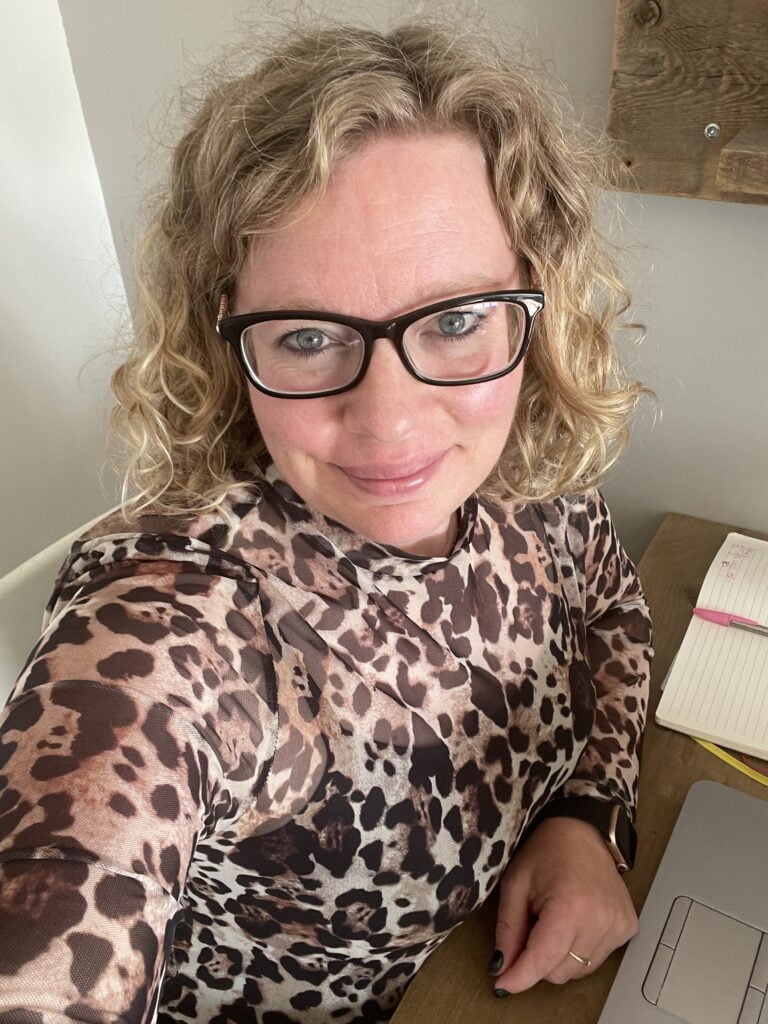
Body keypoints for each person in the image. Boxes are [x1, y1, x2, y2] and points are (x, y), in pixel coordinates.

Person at [0, 17, 653, 1024]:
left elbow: (613, 613)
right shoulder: (179, 611)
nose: (391, 421)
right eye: (307, 336)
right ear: (225, 332)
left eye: (456, 320)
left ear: (535, 300)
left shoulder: (531, 470)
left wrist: (590, 812)